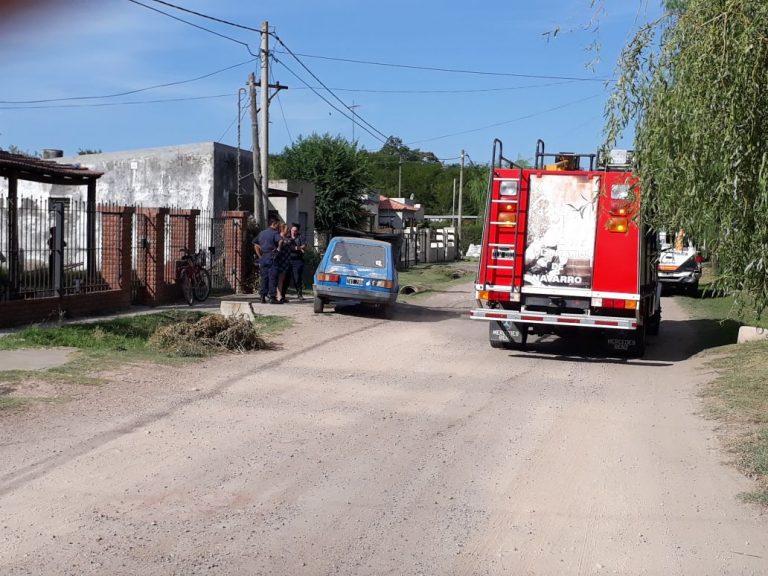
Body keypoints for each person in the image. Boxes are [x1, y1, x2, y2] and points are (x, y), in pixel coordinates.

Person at [253, 217, 282, 304]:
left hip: (263, 257)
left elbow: (255, 244)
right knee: (272, 277)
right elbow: (281, 241)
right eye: (278, 224)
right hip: (272, 256)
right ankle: (272, 297)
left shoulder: (262, 233)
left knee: (264, 277)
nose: (278, 226)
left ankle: (262, 297)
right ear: (274, 224)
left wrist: (259, 255)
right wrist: (278, 249)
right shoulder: (275, 232)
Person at [287, 223, 307, 301]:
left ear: (297, 231)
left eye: (295, 231)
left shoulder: (300, 237)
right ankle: (282, 295)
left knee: (297, 278)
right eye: (292, 230)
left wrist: (297, 248)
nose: (294, 232)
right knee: (286, 278)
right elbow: (289, 247)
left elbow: (304, 246)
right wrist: (298, 248)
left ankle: (299, 294)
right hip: (288, 260)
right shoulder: (288, 237)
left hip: (298, 260)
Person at [274, 223, 291, 304]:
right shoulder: (279, 238)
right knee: (280, 279)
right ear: (282, 229)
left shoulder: (286, 238)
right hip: (281, 261)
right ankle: (278, 296)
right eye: (287, 229)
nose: (288, 230)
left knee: (282, 279)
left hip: (286, 261)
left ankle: (280, 295)